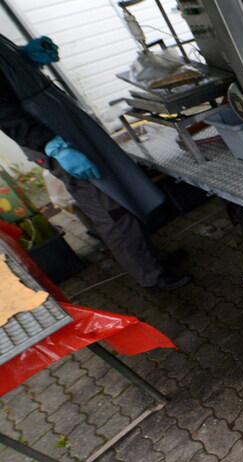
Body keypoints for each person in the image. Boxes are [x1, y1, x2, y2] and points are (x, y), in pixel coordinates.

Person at [0, 34, 191, 291]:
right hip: (50, 137)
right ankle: (151, 278)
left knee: (121, 196)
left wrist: (25, 56)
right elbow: (4, 113)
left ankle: (153, 259)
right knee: (110, 209)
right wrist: (53, 147)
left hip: (63, 122)